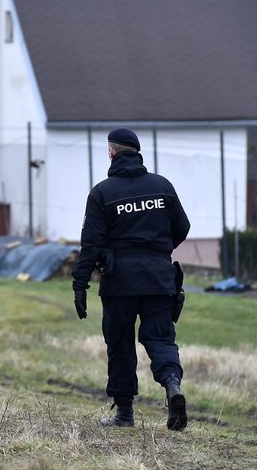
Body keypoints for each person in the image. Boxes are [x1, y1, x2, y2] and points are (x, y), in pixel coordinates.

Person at [72, 128, 191, 430]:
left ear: (111, 153)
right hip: (159, 278)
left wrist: (80, 284)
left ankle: (125, 414)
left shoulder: (102, 193)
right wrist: (157, 250)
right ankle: (172, 386)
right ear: (138, 153)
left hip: (120, 282)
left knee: (121, 345)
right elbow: (182, 227)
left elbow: (91, 245)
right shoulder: (162, 186)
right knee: (161, 338)